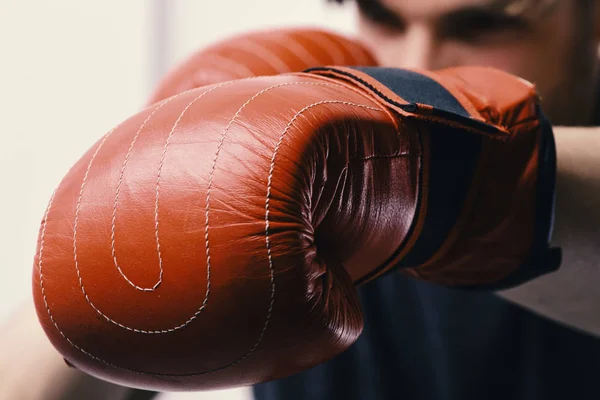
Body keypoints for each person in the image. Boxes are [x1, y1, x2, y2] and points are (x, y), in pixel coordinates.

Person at [1, 1, 599, 399]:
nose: (414, 64)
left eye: (484, 24)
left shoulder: (376, 154)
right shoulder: (314, 148)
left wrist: (420, 167)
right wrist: (153, 200)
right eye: (381, 13)